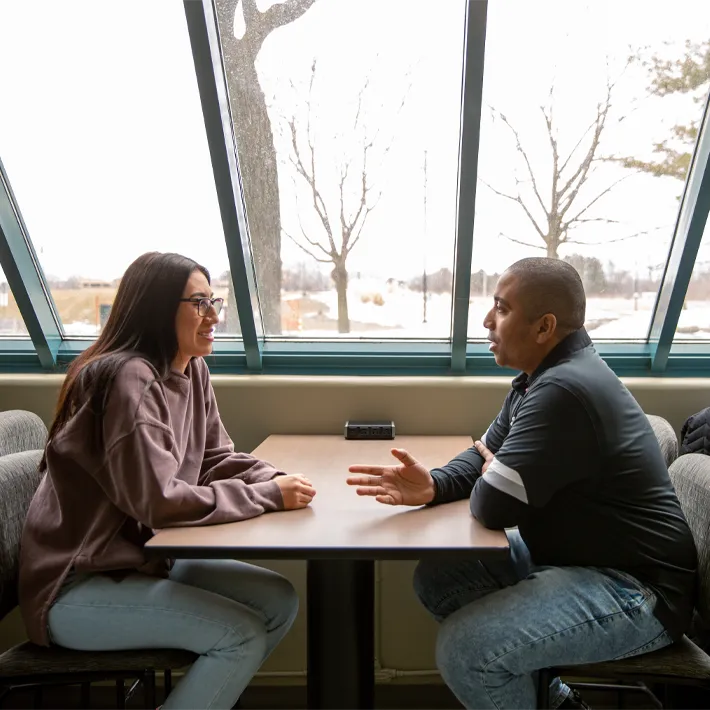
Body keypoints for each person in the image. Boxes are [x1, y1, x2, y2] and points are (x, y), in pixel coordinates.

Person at [346, 257, 697, 710]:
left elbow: (493, 506)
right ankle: (556, 704)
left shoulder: (564, 391)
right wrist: (434, 485)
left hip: (636, 591)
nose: (487, 320)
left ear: (544, 327)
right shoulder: (540, 381)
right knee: (442, 576)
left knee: (468, 650)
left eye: (502, 308)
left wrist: (493, 472)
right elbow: (482, 453)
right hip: (580, 560)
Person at [19, 252, 316, 710]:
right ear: (158, 307)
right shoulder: (129, 379)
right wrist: (267, 496)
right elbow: (158, 503)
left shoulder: (190, 367)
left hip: (139, 564)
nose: (214, 315)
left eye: (214, 300)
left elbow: (216, 457)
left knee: (277, 599)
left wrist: (275, 480)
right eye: (199, 303)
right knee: (239, 636)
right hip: (77, 587)